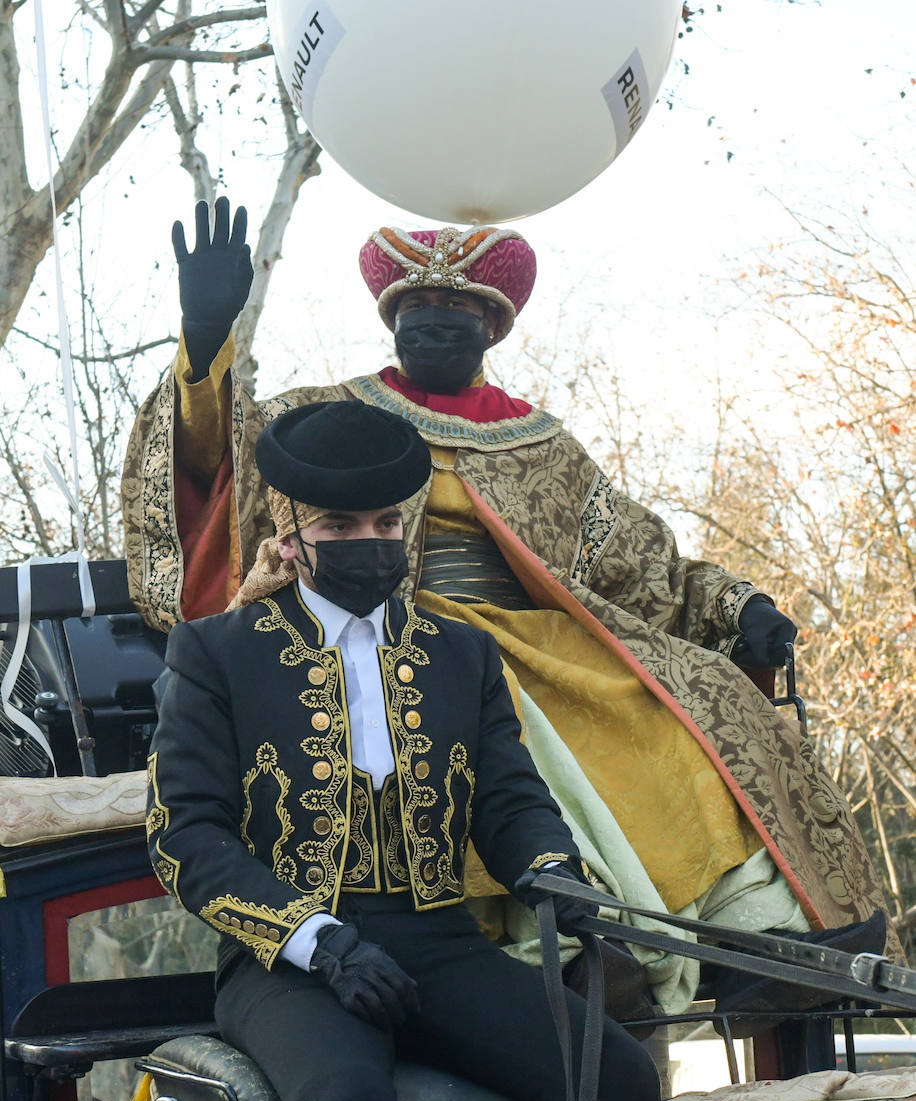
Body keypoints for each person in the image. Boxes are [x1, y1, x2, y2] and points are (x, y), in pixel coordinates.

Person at [124, 199, 892, 1014]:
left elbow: (645, 566)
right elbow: (222, 473)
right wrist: (206, 343)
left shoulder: (544, 445)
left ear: (491, 327)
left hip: (554, 647)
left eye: (456, 311)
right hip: (396, 636)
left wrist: (738, 607)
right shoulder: (330, 419)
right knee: (501, 727)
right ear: (390, 321)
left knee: (698, 703)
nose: (434, 324)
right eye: (417, 309)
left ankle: (749, 936)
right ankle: (568, 943)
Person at [146, 400, 688, 1101]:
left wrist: (553, 871)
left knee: (615, 1076)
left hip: (437, 942)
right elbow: (186, 840)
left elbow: (511, 800)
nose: (369, 543)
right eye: (341, 529)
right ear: (291, 534)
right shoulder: (216, 654)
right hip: (287, 963)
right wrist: (318, 939)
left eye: (386, 525)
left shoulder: (460, 651)